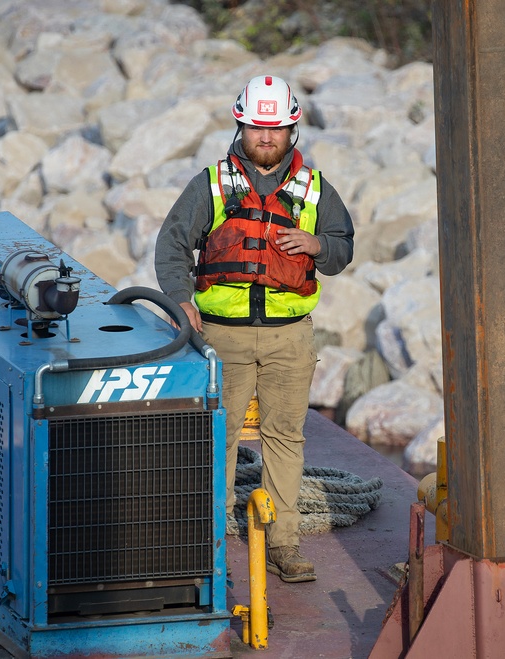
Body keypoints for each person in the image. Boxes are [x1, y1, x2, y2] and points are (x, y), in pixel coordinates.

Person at [154, 74, 354, 583]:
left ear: (292, 129)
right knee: (215, 438)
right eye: (256, 128)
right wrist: (181, 300)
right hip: (224, 336)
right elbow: (172, 244)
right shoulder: (213, 184)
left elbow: (342, 246)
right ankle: (211, 543)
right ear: (240, 125)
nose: (265, 138)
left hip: (291, 336)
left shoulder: (314, 189)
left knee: (285, 437)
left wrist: (318, 247)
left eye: (275, 129)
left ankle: (284, 544)